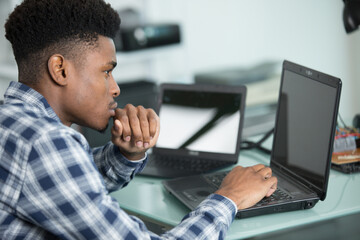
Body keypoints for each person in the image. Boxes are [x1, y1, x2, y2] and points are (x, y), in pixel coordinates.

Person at [0, 0, 277, 239]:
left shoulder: (13, 122)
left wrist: (128, 154)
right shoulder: (45, 143)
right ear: (60, 69)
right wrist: (229, 197)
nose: (115, 88)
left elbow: (64, 185)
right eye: (106, 72)